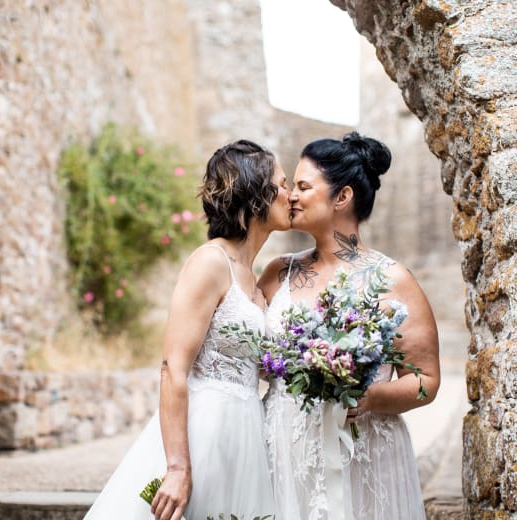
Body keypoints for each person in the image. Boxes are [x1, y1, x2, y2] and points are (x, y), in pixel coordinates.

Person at [84, 140, 291, 520]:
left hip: (246, 437)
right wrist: (178, 467)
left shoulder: (256, 281)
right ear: (256, 193)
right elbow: (173, 368)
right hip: (203, 433)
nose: (290, 194)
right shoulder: (210, 262)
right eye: (283, 183)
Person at [259, 132, 440, 520]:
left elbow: (425, 381)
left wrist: (371, 398)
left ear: (342, 197)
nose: (291, 195)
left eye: (304, 186)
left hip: (365, 453)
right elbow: (254, 357)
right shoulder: (278, 273)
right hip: (286, 452)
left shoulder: (393, 280)